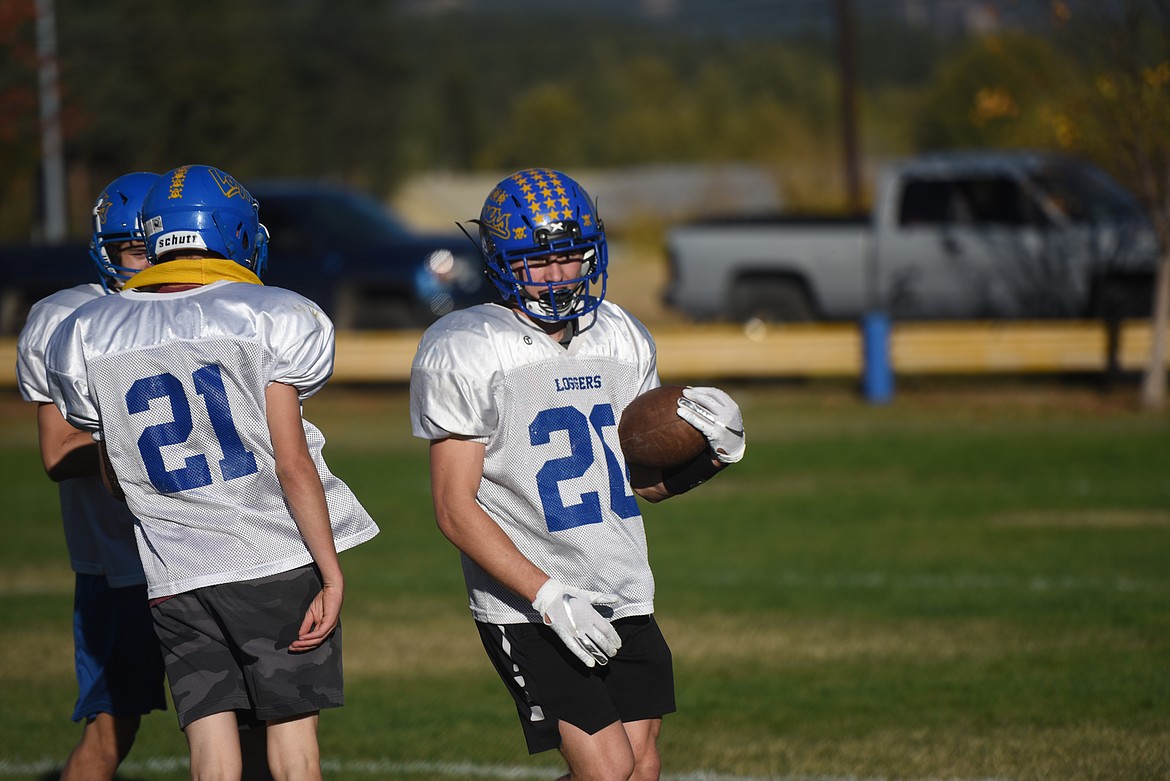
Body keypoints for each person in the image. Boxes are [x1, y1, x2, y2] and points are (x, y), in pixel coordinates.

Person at [44, 164, 379, 781]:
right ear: (233, 234)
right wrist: (330, 573)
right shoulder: (270, 314)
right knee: (293, 744)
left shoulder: (89, 330)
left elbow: (116, 475)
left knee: (211, 753)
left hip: (172, 570)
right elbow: (291, 461)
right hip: (269, 556)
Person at [409, 168, 746, 780]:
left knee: (641, 768)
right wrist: (547, 596)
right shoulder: (469, 346)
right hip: (529, 603)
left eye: (571, 257)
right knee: (608, 768)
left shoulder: (619, 336)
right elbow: (454, 507)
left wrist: (710, 457)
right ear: (502, 260)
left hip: (620, 585)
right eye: (540, 261)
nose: (560, 275)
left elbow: (638, 483)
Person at [16, 172, 169, 781]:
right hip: (122, 561)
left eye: (161, 247)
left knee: (250, 720)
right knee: (113, 730)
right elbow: (57, 453)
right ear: (105, 250)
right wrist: (144, 444)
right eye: (136, 249)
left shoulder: (209, 310)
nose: (152, 262)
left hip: (216, 551)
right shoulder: (65, 318)